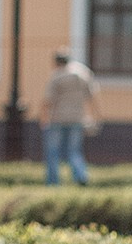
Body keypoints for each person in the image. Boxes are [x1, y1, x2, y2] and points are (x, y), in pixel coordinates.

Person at [39, 50, 101, 186]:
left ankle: (53, 182)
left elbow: (48, 100)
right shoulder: (83, 74)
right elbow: (92, 96)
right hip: (78, 118)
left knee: (53, 152)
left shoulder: (57, 76)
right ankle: (81, 175)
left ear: (56, 62)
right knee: (74, 150)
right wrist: (95, 116)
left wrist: (43, 118)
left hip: (57, 119)